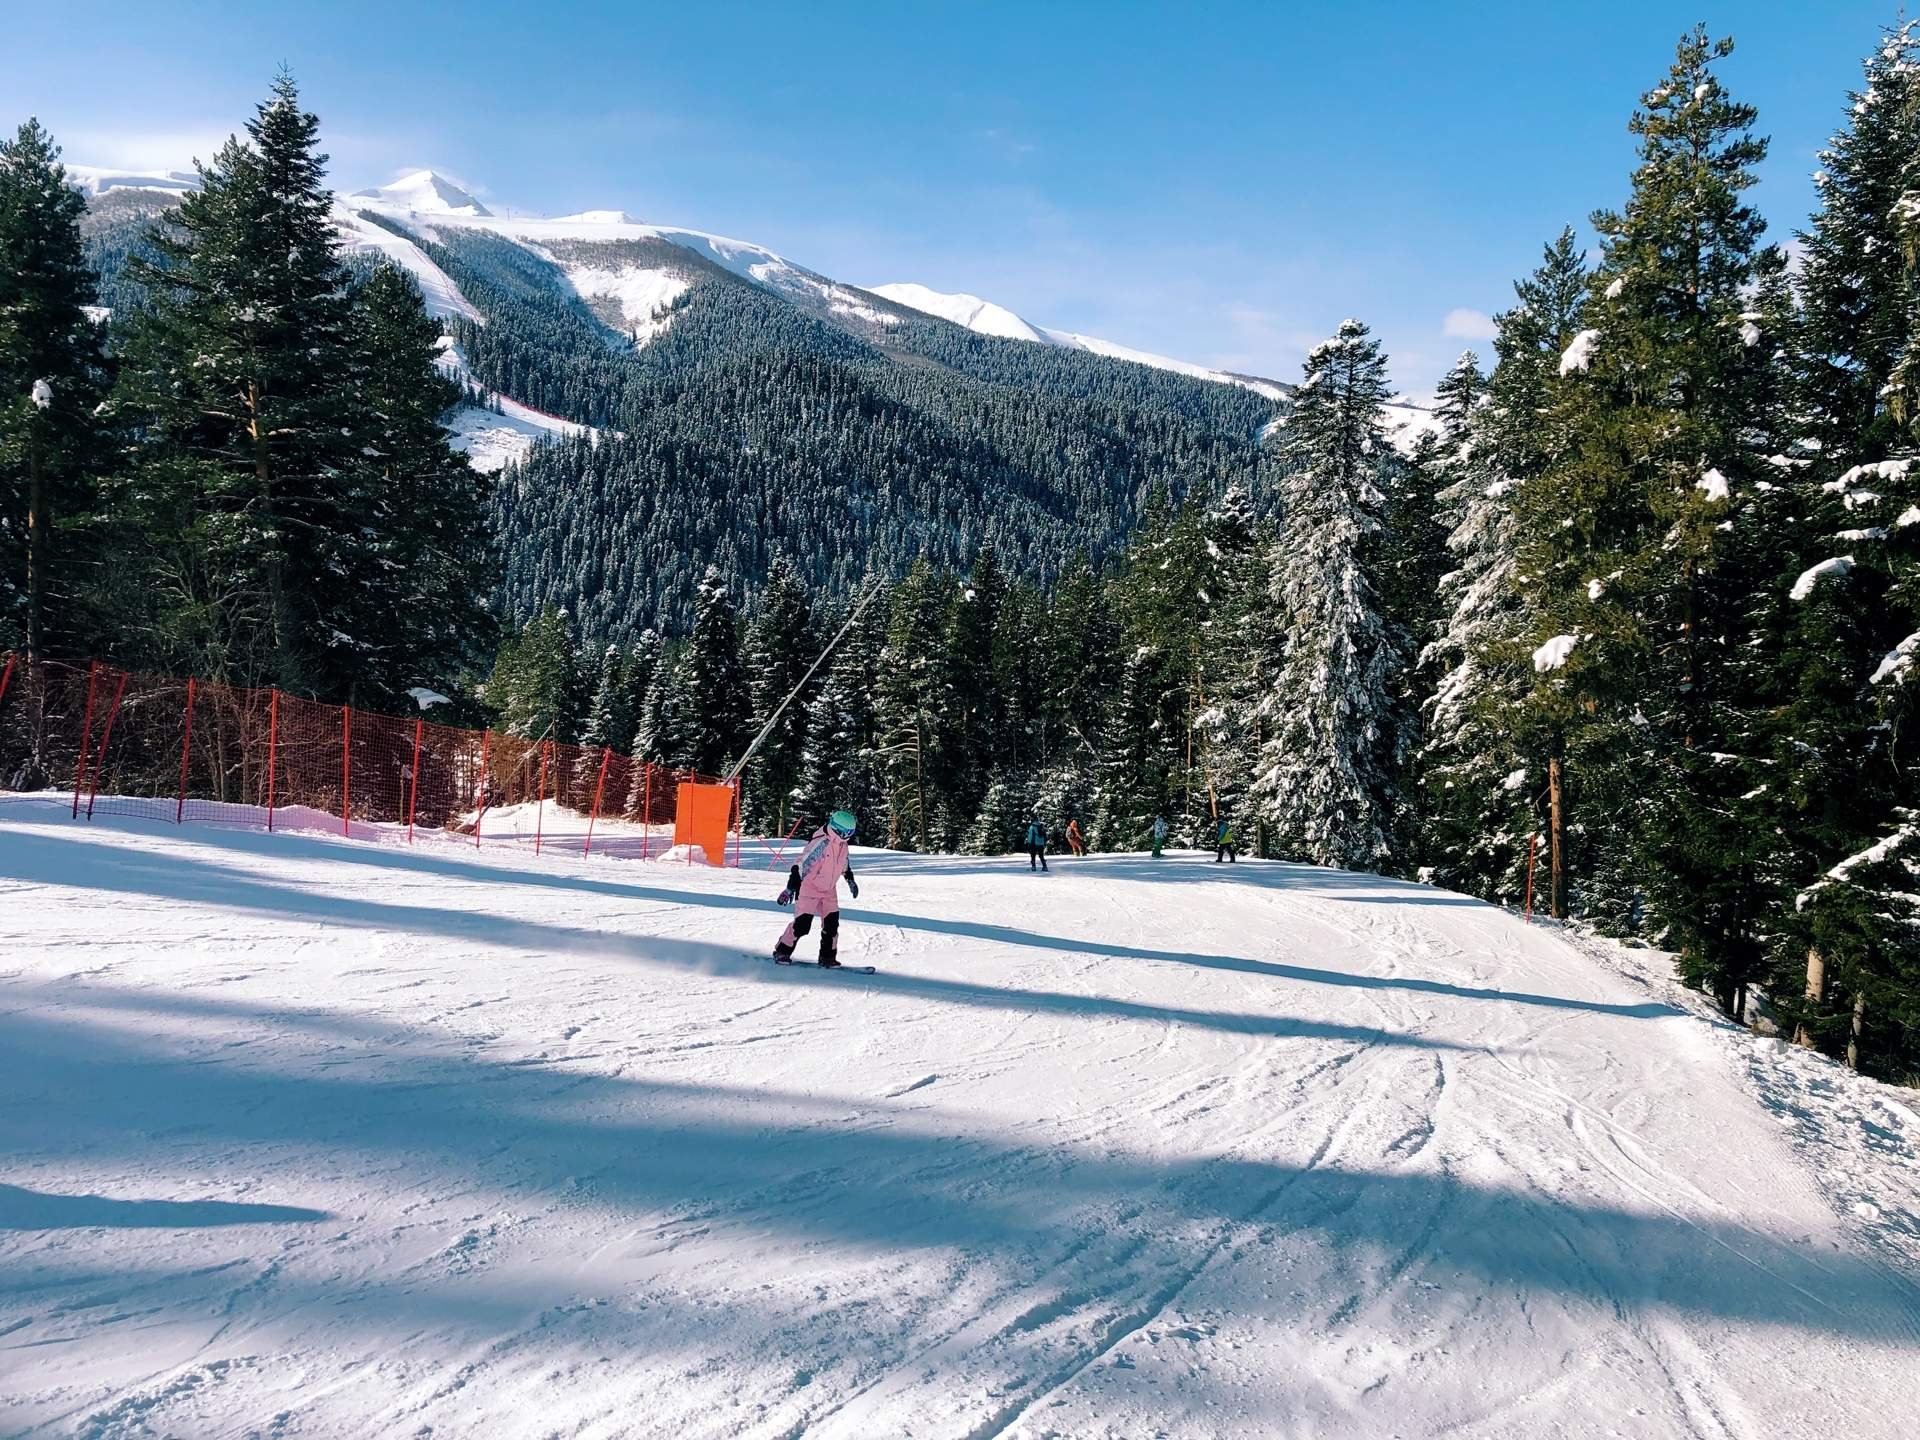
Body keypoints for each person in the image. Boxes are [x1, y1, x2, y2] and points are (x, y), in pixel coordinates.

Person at [774, 810, 860, 967]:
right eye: (847, 832)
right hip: (809, 888)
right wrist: (790, 888)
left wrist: (850, 879)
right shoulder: (821, 842)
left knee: (831, 925)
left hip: (829, 890)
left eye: (851, 832)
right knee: (802, 925)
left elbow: (843, 863)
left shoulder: (842, 844)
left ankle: (827, 957)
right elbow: (801, 865)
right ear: (837, 829)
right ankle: (781, 951)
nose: (849, 835)